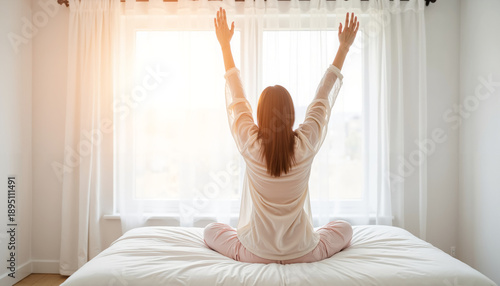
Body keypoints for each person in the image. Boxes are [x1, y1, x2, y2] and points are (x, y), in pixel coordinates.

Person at [204, 8, 359, 264]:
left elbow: (237, 98)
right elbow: (322, 99)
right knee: (344, 228)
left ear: (260, 115)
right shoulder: (305, 143)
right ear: (290, 115)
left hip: (255, 252)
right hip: (303, 252)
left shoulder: (250, 143)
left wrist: (225, 46)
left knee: (210, 231)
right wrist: (343, 48)